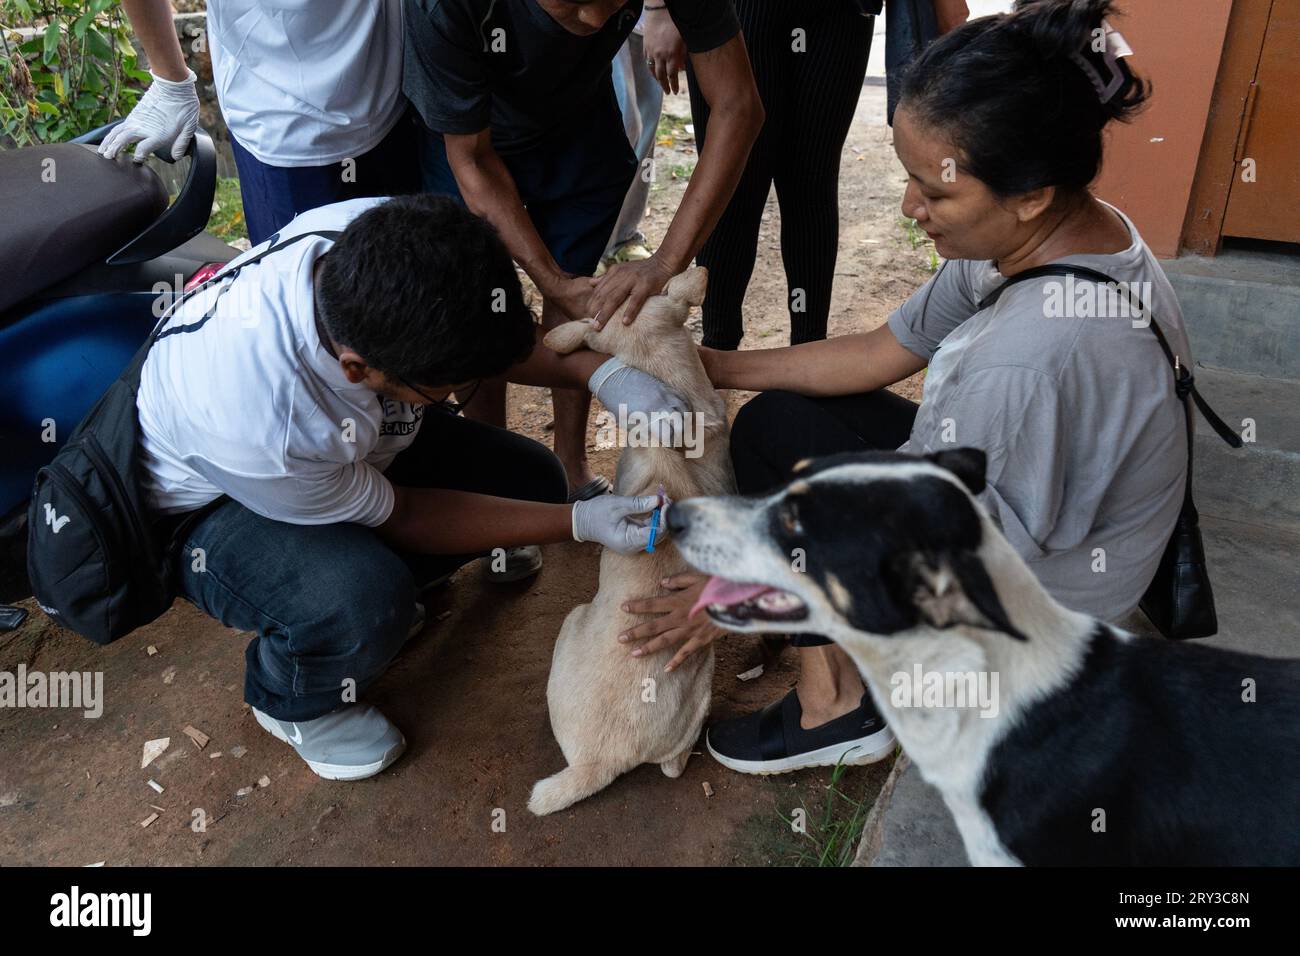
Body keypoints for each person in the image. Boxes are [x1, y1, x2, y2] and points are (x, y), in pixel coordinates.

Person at [617, 0, 1186, 775]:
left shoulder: (1033, 358)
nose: (911, 209)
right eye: (912, 179)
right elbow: (884, 349)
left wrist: (739, 591)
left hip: (1039, 599)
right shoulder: (1054, 232)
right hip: (1015, 506)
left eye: (937, 193)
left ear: (1030, 194)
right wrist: (708, 366)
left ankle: (835, 712)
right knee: (775, 426)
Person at [137, 194, 689, 780]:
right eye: (447, 385)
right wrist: (580, 523)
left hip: (332, 453)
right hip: (211, 509)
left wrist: (602, 373)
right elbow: (404, 512)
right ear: (360, 372)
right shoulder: (268, 426)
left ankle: (396, 586)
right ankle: (293, 697)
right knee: (363, 600)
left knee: (531, 481)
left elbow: (477, 333)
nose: (460, 388)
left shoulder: (376, 234)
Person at [403, 0, 763, 501]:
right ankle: (497, 479)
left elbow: (737, 106)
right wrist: (545, 276)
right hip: (471, 135)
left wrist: (663, 263)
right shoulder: (446, 7)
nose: (597, 21)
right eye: (573, 1)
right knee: (475, 303)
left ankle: (570, 465)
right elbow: (473, 158)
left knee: (579, 294)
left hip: (578, 121)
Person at [687, 0, 968, 351]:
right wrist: (657, 10)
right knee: (732, 182)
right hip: (739, 8)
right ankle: (717, 350)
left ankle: (807, 351)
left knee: (812, 183)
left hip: (840, 12)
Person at [101, 0, 418, 245]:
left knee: (407, 278)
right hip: (284, 130)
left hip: (396, 94)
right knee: (310, 301)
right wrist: (170, 80)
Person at [597, 7, 685, 274]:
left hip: (644, 14)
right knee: (623, 119)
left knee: (647, 115)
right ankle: (591, 243)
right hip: (602, 9)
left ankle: (622, 236)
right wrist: (659, 9)